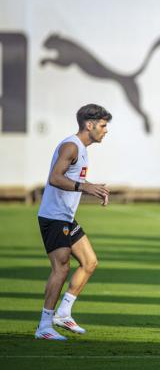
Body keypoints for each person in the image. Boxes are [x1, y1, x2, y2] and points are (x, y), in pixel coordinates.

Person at [34, 104, 112, 340]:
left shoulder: (82, 148)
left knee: (90, 262)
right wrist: (84, 186)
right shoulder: (71, 146)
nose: (106, 130)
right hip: (54, 217)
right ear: (89, 125)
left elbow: (72, 178)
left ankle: (63, 313)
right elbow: (55, 178)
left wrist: (94, 188)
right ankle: (45, 326)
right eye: (103, 125)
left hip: (65, 216)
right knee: (62, 267)